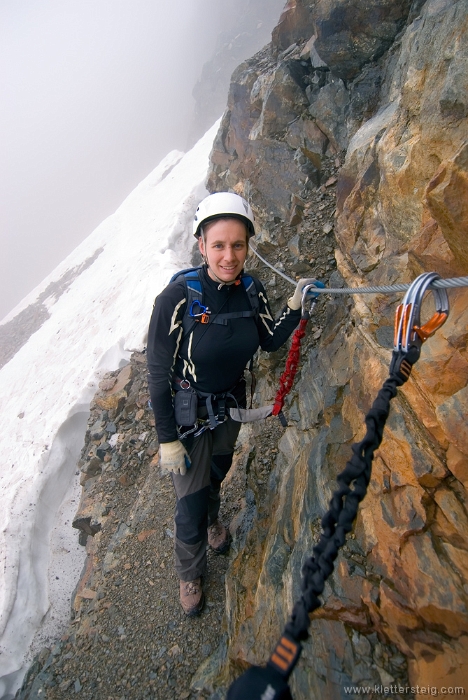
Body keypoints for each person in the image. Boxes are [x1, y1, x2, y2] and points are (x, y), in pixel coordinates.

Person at [147, 192, 315, 616]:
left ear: (247, 247)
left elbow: (269, 339)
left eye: (237, 245)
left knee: (216, 478)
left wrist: (294, 308)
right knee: (188, 502)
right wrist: (167, 439)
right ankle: (189, 573)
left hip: (228, 410)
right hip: (187, 418)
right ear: (201, 246)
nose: (229, 256)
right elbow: (156, 375)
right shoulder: (176, 300)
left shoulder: (251, 290)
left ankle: (213, 521)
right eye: (218, 245)